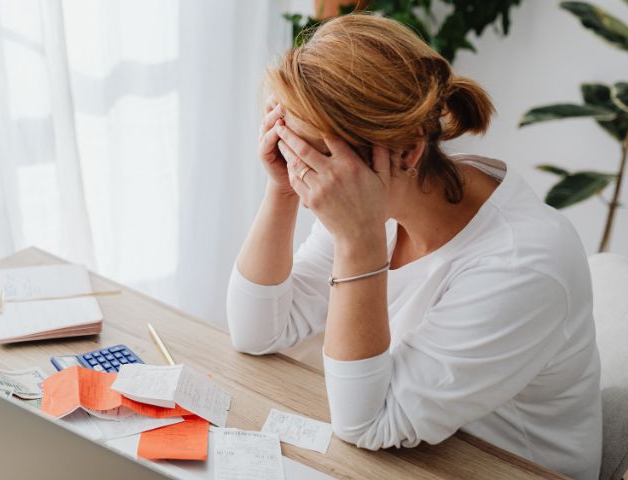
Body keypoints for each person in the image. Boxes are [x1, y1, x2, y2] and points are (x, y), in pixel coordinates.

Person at [226, 13, 601, 480]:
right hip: (412, 452)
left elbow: (366, 423)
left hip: (500, 466)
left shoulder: (522, 264)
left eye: (313, 156)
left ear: (406, 152)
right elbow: (257, 332)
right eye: (287, 147)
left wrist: (357, 241)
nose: (306, 176)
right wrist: (280, 191)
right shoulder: (382, 194)